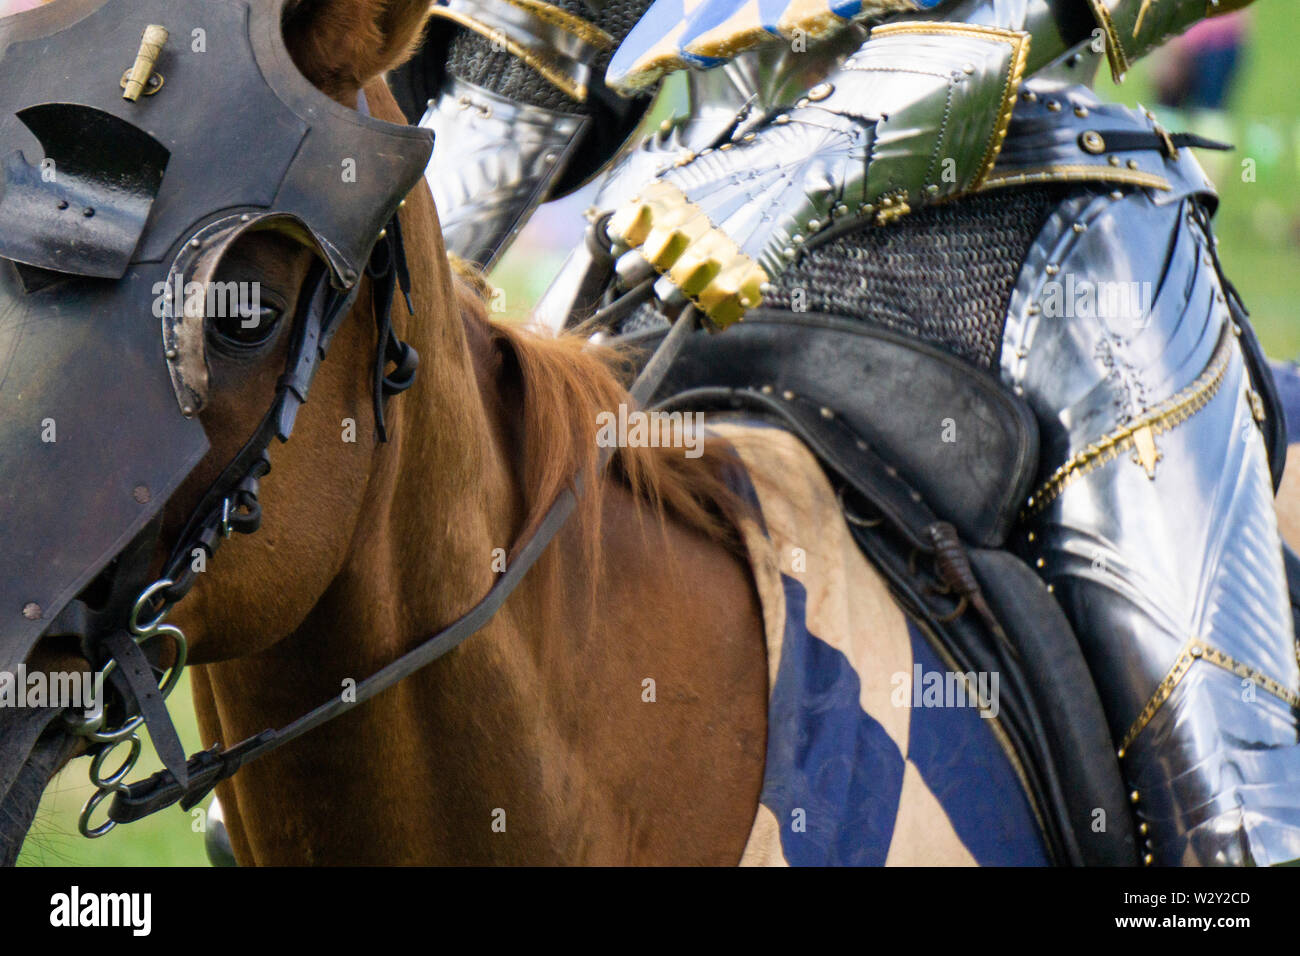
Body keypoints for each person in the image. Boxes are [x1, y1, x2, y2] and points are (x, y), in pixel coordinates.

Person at [404, 0, 1298, 866]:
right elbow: (533, 49)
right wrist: (385, 277)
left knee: (1231, 832)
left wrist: (811, 160)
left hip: (1048, 236)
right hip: (667, 239)